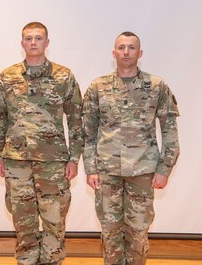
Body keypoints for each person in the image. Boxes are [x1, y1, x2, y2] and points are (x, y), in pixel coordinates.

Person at [82, 31, 180, 265]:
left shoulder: (156, 86)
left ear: (140, 53)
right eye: (121, 47)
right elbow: (88, 132)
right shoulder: (98, 86)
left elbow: (169, 130)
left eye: (131, 48)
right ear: (113, 52)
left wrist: (164, 168)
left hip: (143, 170)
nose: (126, 52)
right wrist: (90, 168)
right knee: (110, 231)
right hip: (107, 171)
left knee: (138, 232)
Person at [0, 22, 83, 265]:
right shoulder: (8, 76)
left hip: (53, 162)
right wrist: (0, 157)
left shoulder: (64, 76)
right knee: (23, 219)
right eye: (28, 38)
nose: (33, 42)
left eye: (38, 38)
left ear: (47, 43)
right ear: (22, 44)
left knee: (54, 219)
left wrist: (74, 158)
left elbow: (75, 120)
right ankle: (27, 260)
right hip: (16, 161)